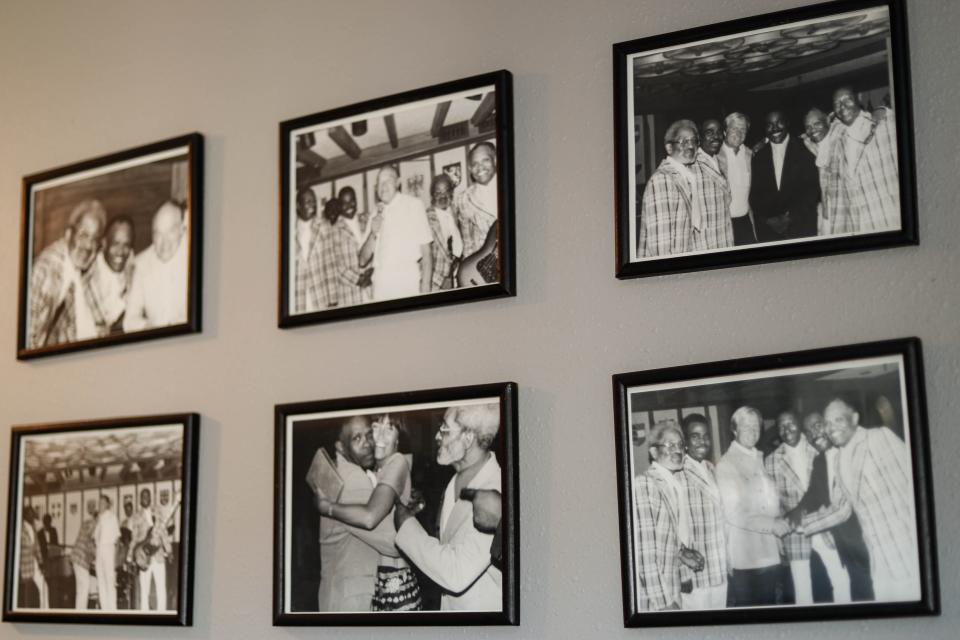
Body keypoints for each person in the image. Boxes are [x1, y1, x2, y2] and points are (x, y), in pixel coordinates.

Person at [799, 397, 920, 602]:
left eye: (838, 420)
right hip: (879, 563)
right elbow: (841, 509)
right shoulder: (839, 460)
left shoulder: (879, 438)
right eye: (828, 423)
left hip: (907, 554)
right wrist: (798, 525)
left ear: (854, 419)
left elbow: (915, 488)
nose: (831, 428)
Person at [394, 403, 502, 611]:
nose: (436, 436)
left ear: (468, 438)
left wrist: (406, 525)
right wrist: (418, 512)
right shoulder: (455, 479)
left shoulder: (495, 491)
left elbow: (456, 573)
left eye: (444, 429)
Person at [316, 415, 422, 610]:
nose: (368, 443)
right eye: (357, 438)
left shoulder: (343, 470)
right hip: (351, 601)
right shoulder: (352, 480)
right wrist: (405, 508)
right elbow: (393, 542)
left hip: (339, 593)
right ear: (340, 446)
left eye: (368, 434)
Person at [789, 412, 872, 603]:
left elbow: (844, 509)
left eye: (817, 425)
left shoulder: (850, 452)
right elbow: (813, 494)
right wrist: (796, 511)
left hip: (867, 541)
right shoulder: (820, 460)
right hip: (846, 543)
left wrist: (801, 524)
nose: (813, 434)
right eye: (808, 431)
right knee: (857, 594)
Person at [716, 406, 791, 607]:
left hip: (768, 553)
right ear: (734, 430)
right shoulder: (727, 464)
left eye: (755, 426)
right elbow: (734, 513)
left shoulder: (758, 457)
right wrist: (773, 524)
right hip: (747, 559)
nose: (752, 430)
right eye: (745, 426)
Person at [633, 423, 704, 611]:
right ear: (654, 453)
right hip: (654, 599)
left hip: (672, 586)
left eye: (680, 445)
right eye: (670, 445)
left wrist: (683, 567)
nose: (678, 450)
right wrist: (664, 604)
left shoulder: (673, 484)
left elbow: (670, 537)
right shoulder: (645, 485)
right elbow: (644, 555)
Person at [26, 199, 109, 348]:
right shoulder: (45, 271)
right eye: (83, 235)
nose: (88, 246)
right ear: (69, 234)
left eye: (95, 239)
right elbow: (27, 336)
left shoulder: (83, 263)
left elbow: (99, 319)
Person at [818, 87, 900, 235]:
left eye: (847, 99)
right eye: (837, 103)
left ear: (858, 100)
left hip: (887, 217)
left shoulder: (882, 123)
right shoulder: (837, 137)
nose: (842, 106)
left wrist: (884, 110)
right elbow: (815, 143)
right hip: (857, 224)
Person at [764, 411, 820, 605]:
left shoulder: (817, 446)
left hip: (826, 522)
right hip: (794, 530)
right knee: (802, 587)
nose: (786, 429)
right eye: (781, 426)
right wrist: (778, 536)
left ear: (800, 424)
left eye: (791, 424)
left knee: (838, 577)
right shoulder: (772, 460)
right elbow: (773, 503)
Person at [359, 166, 433, 301]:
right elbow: (362, 260)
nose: (383, 186)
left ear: (398, 183)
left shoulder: (414, 205)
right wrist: (372, 233)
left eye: (388, 180)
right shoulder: (375, 213)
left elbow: (427, 254)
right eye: (380, 182)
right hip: (380, 287)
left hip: (407, 283)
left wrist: (426, 289)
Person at [680, 413, 727, 610]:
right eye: (695, 436)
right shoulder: (678, 472)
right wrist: (682, 572)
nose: (702, 441)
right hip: (695, 572)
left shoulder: (712, 469)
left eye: (706, 435)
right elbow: (672, 525)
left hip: (719, 568)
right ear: (685, 441)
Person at [750, 111, 820, 242]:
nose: (775, 128)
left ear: (787, 123)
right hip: (770, 233)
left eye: (779, 122)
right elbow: (755, 194)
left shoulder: (805, 147)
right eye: (769, 124)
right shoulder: (758, 156)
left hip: (801, 227)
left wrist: (790, 217)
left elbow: (812, 189)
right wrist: (768, 220)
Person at [637, 119, 702, 257]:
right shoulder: (662, 180)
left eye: (693, 141)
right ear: (669, 148)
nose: (690, 146)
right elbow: (660, 248)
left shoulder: (686, 176)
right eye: (683, 141)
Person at [123, 201, 189, 331]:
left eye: (171, 231)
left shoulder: (196, 255)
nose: (164, 243)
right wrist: (151, 328)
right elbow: (129, 321)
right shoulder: (141, 264)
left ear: (182, 230)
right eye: (158, 234)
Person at [127, 488, 172, 611]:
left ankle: (162, 615)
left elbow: (163, 532)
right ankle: (145, 615)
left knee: (161, 588)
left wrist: (169, 550)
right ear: (140, 499)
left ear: (150, 498)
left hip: (158, 555)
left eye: (147, 496)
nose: (145, 498)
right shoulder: (136, 517)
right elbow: (134, 538)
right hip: (143, 557)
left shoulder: (158, 512)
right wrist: (130, 556)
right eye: (143, 496)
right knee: (144, 590)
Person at [694, 119, 734, 251]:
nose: (715, 136)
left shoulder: (718, 160)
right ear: (699, 137)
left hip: (723, 238)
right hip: (705, 243)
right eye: (709, 132)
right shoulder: (693, 164)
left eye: (718, 132)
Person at [323, 195, 371, 308]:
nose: (349, 205)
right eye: (344, 203)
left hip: (371, 288)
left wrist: (372, 274)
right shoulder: (333, 230)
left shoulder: (365, 220)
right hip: (349, 293)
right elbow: (335, 265)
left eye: (351, 201)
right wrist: (358, 279)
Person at [717, 112, 757, 245]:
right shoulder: (715, 156)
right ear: (725, 131)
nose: (739, 133)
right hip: (722, 224)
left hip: (745, 222)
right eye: (734, 128)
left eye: (743, 129)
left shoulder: (749, 155)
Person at [92, 215, 135, 333]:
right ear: (104, 243)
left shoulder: (132, 267)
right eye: (115, 244)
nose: (121, 252)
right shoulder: (90, 275)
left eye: (126, 245)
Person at [455, 142, 498, 259]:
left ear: (495, 160)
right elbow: (468, 244)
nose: (480, 167)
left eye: (485, 160)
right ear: (470, 169)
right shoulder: (464, 199)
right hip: (487, 267)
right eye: (475, 164)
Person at [291, 188, 328, 312]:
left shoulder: (323, 226)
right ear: (298, 205)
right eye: (308, 201)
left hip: (320, 295)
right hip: (298, 297)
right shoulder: (289, 232)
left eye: (313, 201)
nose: (312, 205)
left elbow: (330, 263)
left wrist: (332, 299)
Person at [425, 174, 464, 289]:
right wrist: (442, 282)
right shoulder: (426, 218)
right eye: (438, 192)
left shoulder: (455, 212)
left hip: (456, 277)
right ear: (432, 195)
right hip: (435, 283)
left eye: (446, 191)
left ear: (451, 193)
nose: (442, 196)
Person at [94, 494, 120, 610]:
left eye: (102, 503)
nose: (99, 505)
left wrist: (116, 556)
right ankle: (104, 609)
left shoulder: (112, 517)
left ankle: (112, 610)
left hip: (108, 548)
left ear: (107, 505)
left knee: (110, 581)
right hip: (99, 550)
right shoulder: (98, 519)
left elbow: (117, 537)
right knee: (101, 581)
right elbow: (94, 537)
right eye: (99, 503)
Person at [19, 506, 49, 608]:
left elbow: (38, 548)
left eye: (33, 513)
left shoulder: (33, 528)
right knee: (27, 594)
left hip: (35, 564)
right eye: (30, 513)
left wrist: (41, 563)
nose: (33, 516)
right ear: (25, 515)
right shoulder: (20, 528)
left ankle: (45, 612)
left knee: (44, 587)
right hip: (25, 566)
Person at [70, 500, 98, 610]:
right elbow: (90, 543)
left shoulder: (87, 522)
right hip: (80, 558)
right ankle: (81, 611)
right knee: (85, 586)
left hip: (76, 557)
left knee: (81, 588)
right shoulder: (93, 524)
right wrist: (97, 555)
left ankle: (79, 611)